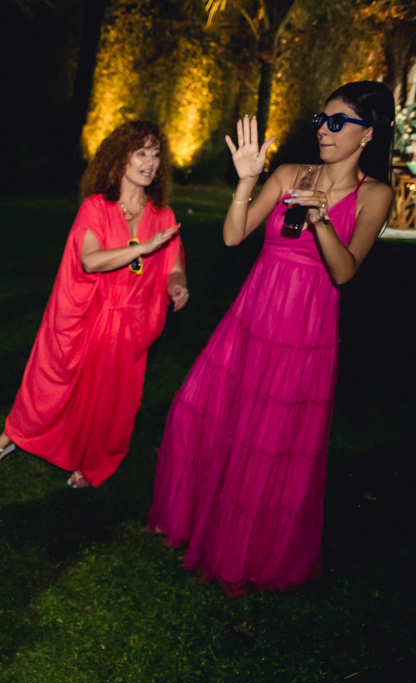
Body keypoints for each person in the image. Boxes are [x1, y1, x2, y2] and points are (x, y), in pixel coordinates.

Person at [148, 82, 394, 593]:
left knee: (267, 443)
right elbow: (232, 235)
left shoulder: (375, 195)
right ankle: (197, 524)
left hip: (304, 336)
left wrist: (321, 221)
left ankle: (248, 552)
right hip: (251, 319)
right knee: (194, 409)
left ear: (368, 133)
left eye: (337, 123)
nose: (324, 131)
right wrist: (246, 181)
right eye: (321, 120)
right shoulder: (287, 174)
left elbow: (345, 272)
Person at [0, 121, 187, 488]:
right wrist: (142, 248)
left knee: (113, 402)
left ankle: (93, 461)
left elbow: (174, 265)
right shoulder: (96, 208)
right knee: (52, 385)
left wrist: (177, 285)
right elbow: (90, 261)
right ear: (120, 158)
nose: (150, 162)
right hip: (90, 314)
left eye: (156, 154)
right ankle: (13, 434)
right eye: (141, 153)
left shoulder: (162, 214)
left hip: (132, 325)